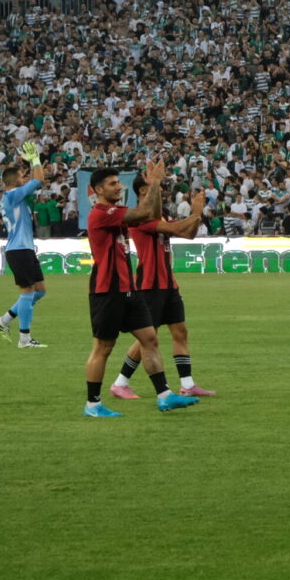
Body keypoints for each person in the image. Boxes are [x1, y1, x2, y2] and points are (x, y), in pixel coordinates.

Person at [82, 163, 199, 418]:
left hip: (129, 289)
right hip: (107, 290)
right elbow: (146, 213)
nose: (119, 186)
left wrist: (155, 186)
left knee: (150, 338)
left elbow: (149, 214)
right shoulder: (101, 213)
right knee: (103, 348)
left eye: (118, 182)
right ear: (98, 190)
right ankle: (92, 404)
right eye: (113, 183)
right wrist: (154, 183)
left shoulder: (115, 211)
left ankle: (164, 395)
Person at [110, 182, 214, 399]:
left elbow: (188, 234)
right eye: (155, 187)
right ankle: (120, 383)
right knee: (148, 337)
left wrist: (196, 217)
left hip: (168, 284)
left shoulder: (161, 217)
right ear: (143, 191)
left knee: (180, 332)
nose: (161, 191)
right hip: (150, 286)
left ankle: (187, 384)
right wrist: (195, 212)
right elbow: (177, 229)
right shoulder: (139, 218)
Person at [0, 142, 48, 348]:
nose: (25, 179)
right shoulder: (12, 195)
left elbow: (36, 180)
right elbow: (39, 179)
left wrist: (33, 165)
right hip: (19, 250)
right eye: (22, 177)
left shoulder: (13, 197)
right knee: (27, 292)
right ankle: (24, 339)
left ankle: (4, 320)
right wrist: (35, 159)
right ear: (14, 181)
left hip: (24, 249)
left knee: (40, 290)